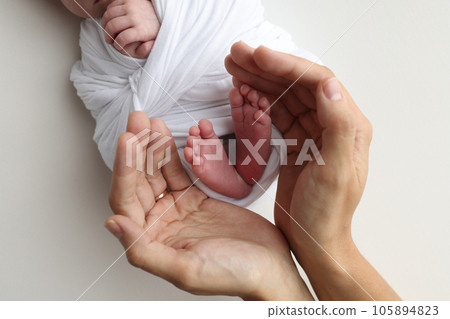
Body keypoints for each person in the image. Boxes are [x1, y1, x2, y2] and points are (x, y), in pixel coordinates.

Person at [105, 43, 401, 300]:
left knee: (156, 136)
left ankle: (241, 169)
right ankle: (243, 169)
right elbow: (96, 86)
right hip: (208, 129)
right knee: (258, 92)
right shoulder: (94, 50)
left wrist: (279, 279)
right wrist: (323, 243)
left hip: (187, 141)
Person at [61, 0, 318, 205]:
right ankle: (233, 177)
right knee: (134, 151)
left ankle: (247, 160)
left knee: (288, 77)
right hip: (178, 120)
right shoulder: (92, 39)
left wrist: (163, 17)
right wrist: (130, 59)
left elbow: (230, 8)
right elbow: (102, 98)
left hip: (229, 71)